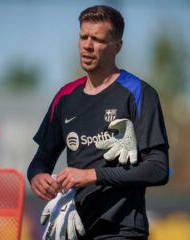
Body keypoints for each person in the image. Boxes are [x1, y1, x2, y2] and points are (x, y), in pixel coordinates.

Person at [27, 5, 170, 239]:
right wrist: (37, 177)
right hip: (75, 227)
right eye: (83, 37)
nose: (87, 46)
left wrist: (91, 175)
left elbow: (158, 168)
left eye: (97, 39)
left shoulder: (138, 93)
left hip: (122, 229)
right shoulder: (65, 97)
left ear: (117, 46)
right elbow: (41, 159)